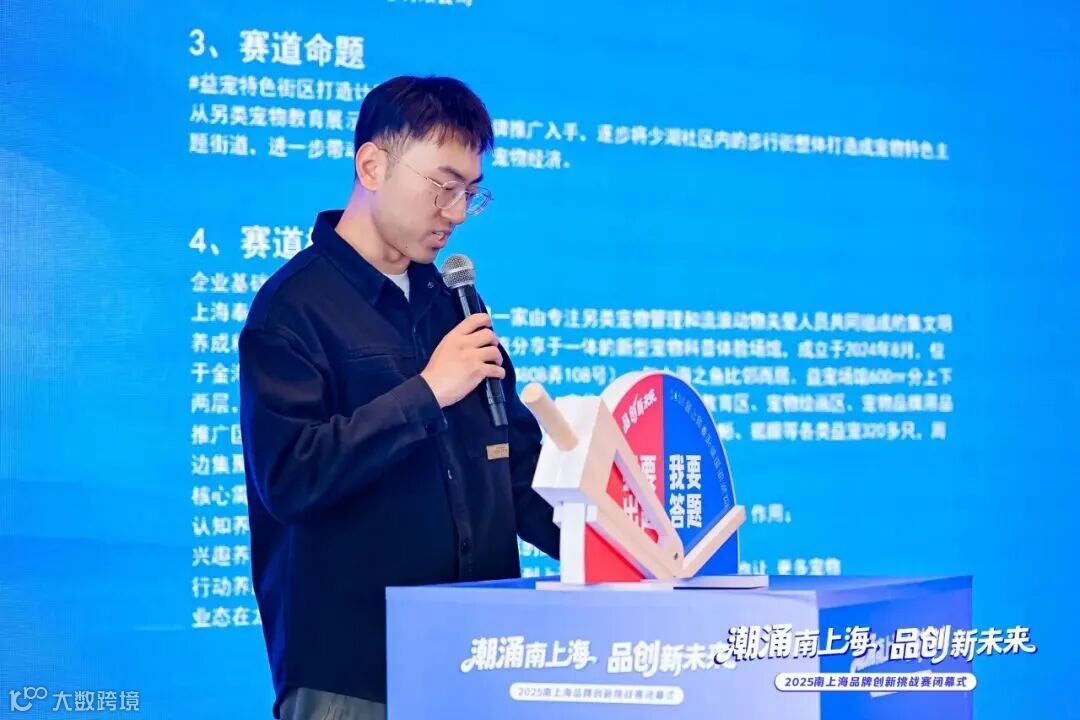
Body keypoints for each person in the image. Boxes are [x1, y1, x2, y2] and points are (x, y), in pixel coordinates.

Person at [238, 75, 561, 720]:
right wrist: (428, 393)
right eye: (444, 186)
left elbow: (513, 469)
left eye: (471, 192)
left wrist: (612, 541)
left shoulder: (454, 301)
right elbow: (291, 478)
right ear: (372, 166)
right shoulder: (292, 309)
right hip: (354, 676)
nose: (457, 213)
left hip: (478, 657)